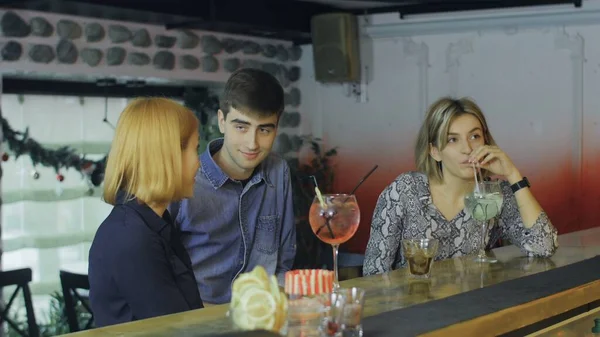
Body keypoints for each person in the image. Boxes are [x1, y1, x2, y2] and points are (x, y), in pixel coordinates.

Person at [363, 97, 558, 276]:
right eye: (452, 139)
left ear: (486, 141)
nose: (467, 149)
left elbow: (544, 247)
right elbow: (374, 273)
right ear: (435, 151)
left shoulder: (494, 194)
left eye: (474, 136)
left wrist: (513, 174)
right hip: (411, 308)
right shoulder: (405, 191)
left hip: (470, 306)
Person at [169, 68, 296, 305]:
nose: (252, 143)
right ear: (221, 121)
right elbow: (160, 272)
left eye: (265, 130)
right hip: (195, 319)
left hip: (260, 318)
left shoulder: (279, 172)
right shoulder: (183, 179)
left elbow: (283, 260)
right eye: (241, 127)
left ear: (276, 128)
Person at [89, 98, 204, 327]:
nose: (198, 164)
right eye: (195, 149)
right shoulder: (133, 238)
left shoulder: (151, 223)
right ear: (167, 156)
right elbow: (176, 330)